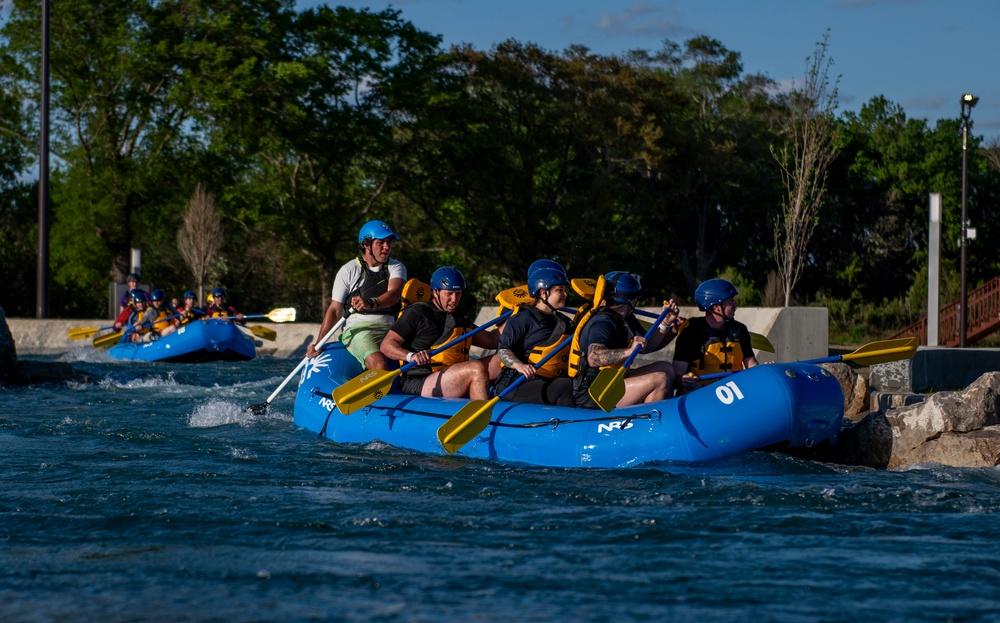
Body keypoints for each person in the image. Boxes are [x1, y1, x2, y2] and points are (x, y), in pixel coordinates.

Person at [380, 266, 500, 400]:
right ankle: (483, 417)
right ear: (435, 292)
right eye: (449, 294)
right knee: (476, 368)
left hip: (454, 374)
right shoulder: (417, 313)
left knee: (505, 358)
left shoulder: (460, 317)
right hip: (421, 381)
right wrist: (411, 356)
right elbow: (386, 345)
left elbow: (491, 340)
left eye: (458, 293)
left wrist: (516, 317)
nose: (454, 299)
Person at [570, 272, 680, 409]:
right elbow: (594, 357)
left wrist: (666, 324)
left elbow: (648, 346)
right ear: (631, 300)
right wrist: (629, 351)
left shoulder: (626, 319)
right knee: (660, 379)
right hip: (592, 391)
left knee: (666, 368)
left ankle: (662, 412)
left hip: (613, 380)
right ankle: (651, 423)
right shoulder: (603, 322)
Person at [308, 220, 406, 370]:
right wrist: (319, 343)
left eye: (389, 242)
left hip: (392, 327)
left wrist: (371, 302)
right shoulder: (348, 270)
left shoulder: (396, 266)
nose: (387, 247)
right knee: (379, 364)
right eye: (381, 242)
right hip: (359, 329)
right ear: (366, 245)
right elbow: (334, 310)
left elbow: (394, 294)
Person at [491, 262, 576, 406]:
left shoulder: (565, 322)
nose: (565, 295)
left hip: (546, 381)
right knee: (564, 386)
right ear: (543, 292)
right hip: (516, 383)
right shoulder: (523, 319)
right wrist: (519, 365)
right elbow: (504, 349)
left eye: (564, 290)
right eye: (559, 290)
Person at [672, 278, 758, 391]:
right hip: (701, 391)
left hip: (735, 390)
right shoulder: (690, 332)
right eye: (730, 301)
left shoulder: (740, 330)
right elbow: (678, 375)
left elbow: (751, 364)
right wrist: (683, 379)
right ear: (715, 307)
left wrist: (764, 370)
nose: (735, 304)